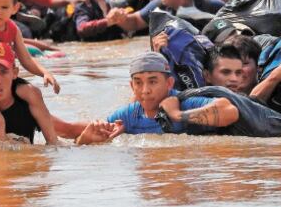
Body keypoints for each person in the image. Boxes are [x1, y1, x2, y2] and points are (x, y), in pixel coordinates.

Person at [73, 53, 236, 143]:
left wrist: (177, 115)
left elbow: (230, 111)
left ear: (169, 83)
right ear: (131, 87)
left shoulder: (183, 103)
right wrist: (85, 140)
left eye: (152, 82)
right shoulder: (129, 115)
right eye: (138, 83)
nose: (145, 91)